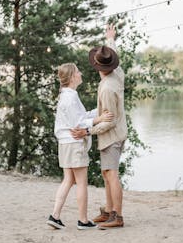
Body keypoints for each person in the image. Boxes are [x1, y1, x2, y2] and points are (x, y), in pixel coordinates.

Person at [71, 24, 127, 229]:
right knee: (106, 173)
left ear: (98, 67)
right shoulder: (116, 73)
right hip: (116, 133)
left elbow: (109, 121)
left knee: (111, 174)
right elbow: (114, 55)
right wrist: (110, 39)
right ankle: (109, 211)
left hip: (112, 135)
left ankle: (118, 216)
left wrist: (87, 131)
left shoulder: (107, 89)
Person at [47, 63, 113, 230]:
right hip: (74, 144)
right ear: (71, 77)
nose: (80, 72)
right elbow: (78, 123)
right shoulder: (69, 98)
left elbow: (81, 116)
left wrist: (99, 112)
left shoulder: (68, 95)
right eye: (77, 71)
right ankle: (83, 220)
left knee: (68, 180)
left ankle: (55, 216)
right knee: (82, 182)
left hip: (65, 144)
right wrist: (99, 119)